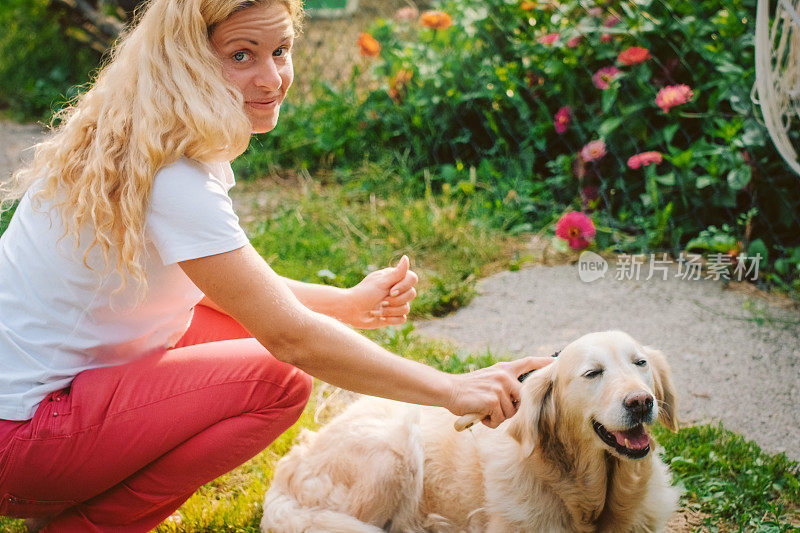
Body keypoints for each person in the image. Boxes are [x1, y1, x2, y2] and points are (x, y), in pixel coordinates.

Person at [0, 0, 552, 531]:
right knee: (277, 377)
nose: (271, 78)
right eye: (242, 55)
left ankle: (66, 497)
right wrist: (452, 388)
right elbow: (290, 337)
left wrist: (345, 304)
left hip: (25, 415)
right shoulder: (174, 178)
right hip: (18, 444)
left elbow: (217, 282)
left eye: (280, 50)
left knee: (234, 329)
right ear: (186, 57)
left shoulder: (138, 132)